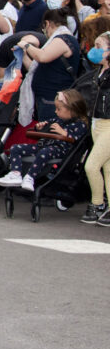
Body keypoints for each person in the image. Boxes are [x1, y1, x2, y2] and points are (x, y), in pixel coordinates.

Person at [0, 88, 87, 192]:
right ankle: (15, 173)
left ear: (72, 109)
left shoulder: (80, 125)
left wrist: (63, 133)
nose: (56, 112)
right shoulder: (58, 120)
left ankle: (30, 177)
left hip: (61, 150)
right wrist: (39, 127)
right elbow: (46, 124)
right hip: (45, 145)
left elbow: (76, 140)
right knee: (16, 148)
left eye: (59, 109)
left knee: (45, 151)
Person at [19, 9, 80, 123]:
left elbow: (42, 56)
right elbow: (36, 67)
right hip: (45, 98)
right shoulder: (57, 40)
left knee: (49, 133)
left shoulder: (63, 39)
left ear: (47, 24)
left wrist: (26, 45)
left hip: (53, 100)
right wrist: (23, 55)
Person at [83, 32, 110, 225]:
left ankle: (97, 203)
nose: (95, 50)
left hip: (108, 124)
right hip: (96, 123)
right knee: (108, 169)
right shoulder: (97, 73)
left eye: (99, 46)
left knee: (91, 165)